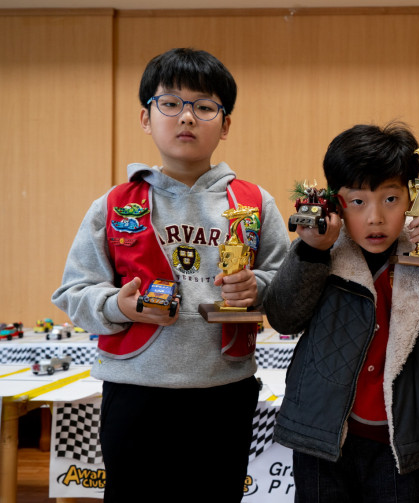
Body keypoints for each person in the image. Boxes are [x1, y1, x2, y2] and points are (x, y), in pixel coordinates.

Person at [52, 48, 290, 502]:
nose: (187, 117)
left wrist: (255, 287)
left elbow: (284, 285)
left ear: (225, 124)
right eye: (171, 103)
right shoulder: (114, 204)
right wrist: (117, 306)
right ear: (146, 117)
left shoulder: (256, 202)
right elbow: (73, 292)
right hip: (135, 391)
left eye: (204, 106)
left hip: (224, 392)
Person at [263, 122, 419, 502]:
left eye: (390, 199)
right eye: (358, 202)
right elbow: (283, 317)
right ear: (335, 203)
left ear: (413, 197)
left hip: (402, 440)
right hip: (323, 438)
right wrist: (312, 252)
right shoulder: (319, 251)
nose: (375, 218)